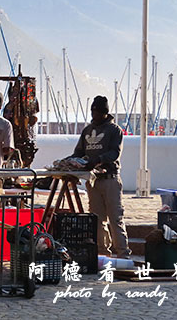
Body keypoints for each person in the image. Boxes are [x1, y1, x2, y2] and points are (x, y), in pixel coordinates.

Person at [73, 95, 131, 258]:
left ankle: (123, 253)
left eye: (98, 112)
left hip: (110, 179)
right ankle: (102, 253)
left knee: (115, 217)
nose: (94, 115)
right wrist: (72, 162)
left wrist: (98, 160)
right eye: (93, 111)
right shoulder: (87, 131)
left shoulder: (114, 130)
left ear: (105, 112)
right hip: (93, 180)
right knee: (97, 219)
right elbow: (79, 152)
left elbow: (114, 152)